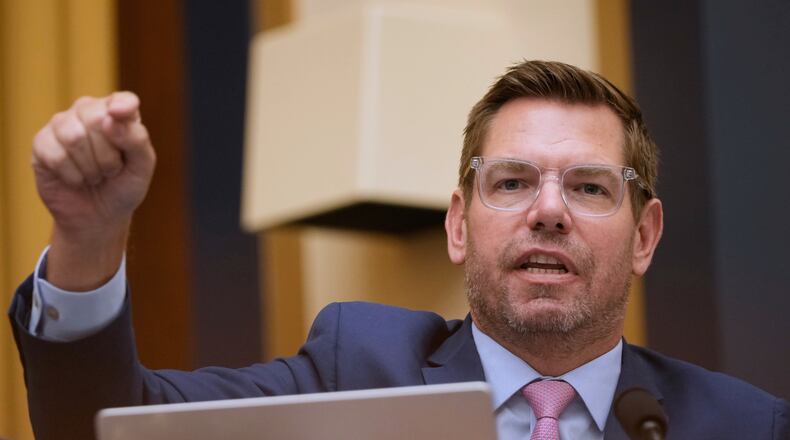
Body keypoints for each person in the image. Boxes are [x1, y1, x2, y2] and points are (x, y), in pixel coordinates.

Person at [8, 61, 788, 440]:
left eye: (588, 187)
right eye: (512, 182)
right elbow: (103, 426)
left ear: (644, 235)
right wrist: (89, 236)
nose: (549, 212)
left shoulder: (745, 426)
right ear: (458, 225)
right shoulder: (358, 367)